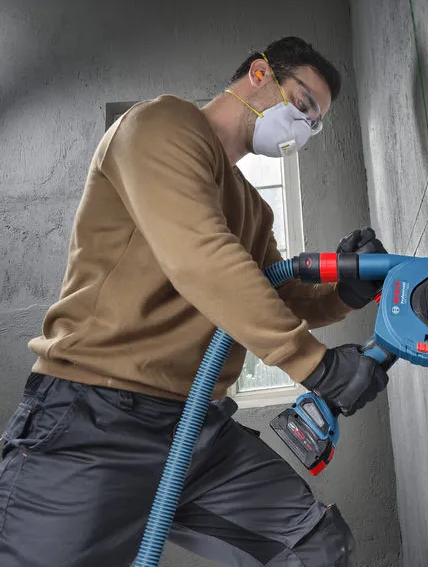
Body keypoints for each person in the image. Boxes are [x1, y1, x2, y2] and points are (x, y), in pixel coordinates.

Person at [0, 36, 390, 566]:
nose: (305, 129)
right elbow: (201, 257)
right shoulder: (160, 127)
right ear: (259, 74)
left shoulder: (253, 209)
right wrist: (314, 365)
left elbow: (275, 291)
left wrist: (344, 291)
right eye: (302, 106)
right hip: (95, 418)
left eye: (315, 123)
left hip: (194, 430)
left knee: (315, 546)